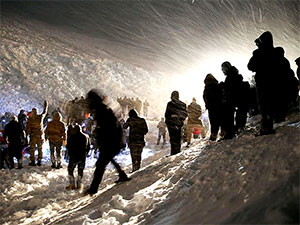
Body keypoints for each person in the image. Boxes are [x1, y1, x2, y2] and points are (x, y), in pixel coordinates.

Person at [85, 90, 130, 195]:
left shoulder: (102, 111)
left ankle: (93, 189)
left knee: (101, 164)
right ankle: (122, 174)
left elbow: (108, 127)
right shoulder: (102, 109)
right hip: (111, 140)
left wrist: (99, 135)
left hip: (111, 140)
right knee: (105, 160)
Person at [247, 31, 293, 135]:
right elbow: (286, 68)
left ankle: (266, 128)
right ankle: (276, 119)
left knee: (265, 106)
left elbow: (250, 66)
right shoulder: (278, 54)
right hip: (276, 84)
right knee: (274, 102)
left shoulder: (259, 54)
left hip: (263, 85)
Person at [66, 124, 90, 190]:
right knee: (80, 170)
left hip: (74, 157)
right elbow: (88, 147)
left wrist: (70, 155)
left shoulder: (71, 137)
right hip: (82, 157)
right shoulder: (86, 137)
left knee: (70, 170)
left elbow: (68, 147)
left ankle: (72, 184)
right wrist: (85, 154)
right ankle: (79, 184)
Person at [165, 91, 187, 155]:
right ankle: (177, 151)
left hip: (171, 124)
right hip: (178, 124)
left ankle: (173, 152)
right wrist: (180, 119)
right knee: (178, 137)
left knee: (173, 139)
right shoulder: (183, 104)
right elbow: (185, 114)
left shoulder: (170, 104)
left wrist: (170, 120)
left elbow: (167, 115)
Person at [26, 100, 48, 166]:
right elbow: (44, 112)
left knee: (32, 149)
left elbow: (28, 128)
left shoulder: (30, 119)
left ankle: (32, 161)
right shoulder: (40, 117)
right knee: (40, 148)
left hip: (33, 136)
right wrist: (46, 106)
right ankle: (39, 160)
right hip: (39, 136)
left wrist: (27, 134)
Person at [203, 74, 223, 141]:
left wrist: (207, 105)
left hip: (211, 107)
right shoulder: (218, 86)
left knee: (213, 121)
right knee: (220, 119)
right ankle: (222, 132)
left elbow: (205, 97)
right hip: (219, 106)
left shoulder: (207, 87)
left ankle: (214, 135)